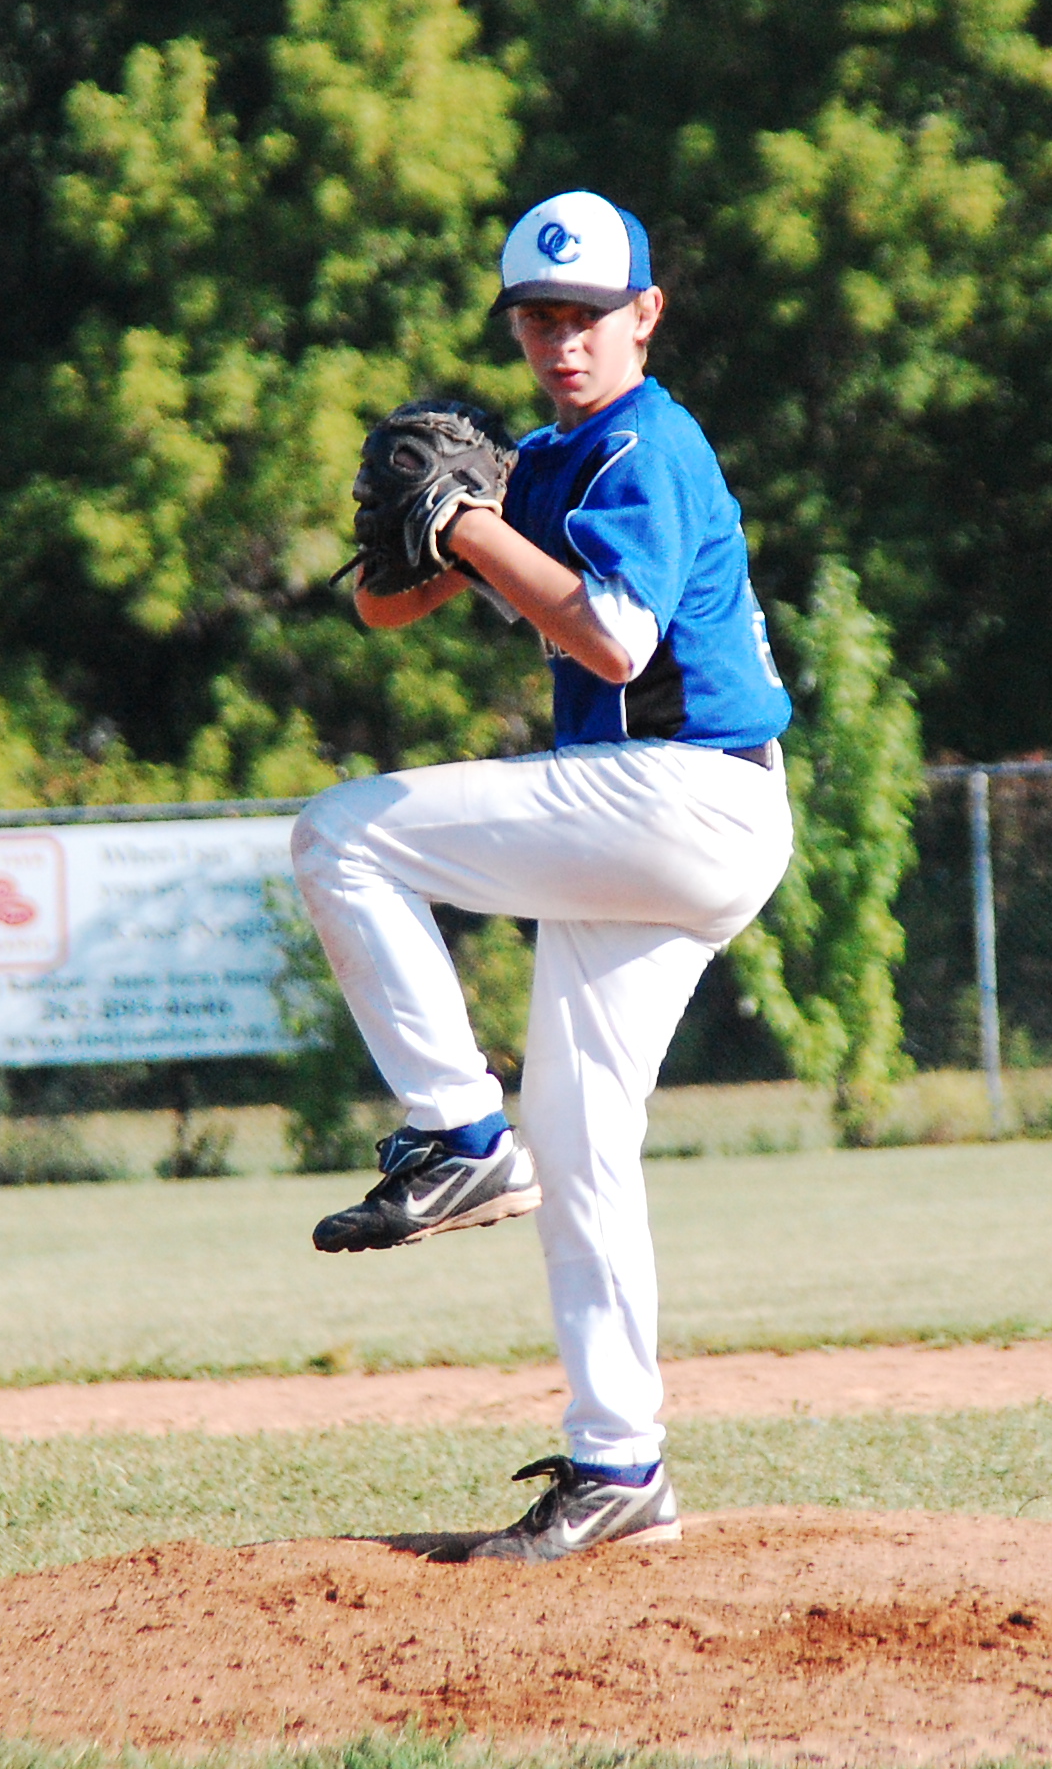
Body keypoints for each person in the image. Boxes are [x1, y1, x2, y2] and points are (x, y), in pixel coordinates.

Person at [292, 189, 794, 1562]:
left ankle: (457, 1132)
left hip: (686, 791)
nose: (563, 341)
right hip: (662, 825)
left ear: (646, 315)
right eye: (538, 318)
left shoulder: (647, 445)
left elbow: (617, 644)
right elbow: (381, 606)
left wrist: (467, 526)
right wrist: (434, 529)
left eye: (589, 315)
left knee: (341, 833)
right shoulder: (547, 461)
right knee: (580, 1150)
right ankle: (620, 1466)